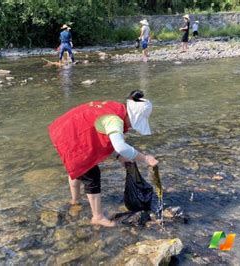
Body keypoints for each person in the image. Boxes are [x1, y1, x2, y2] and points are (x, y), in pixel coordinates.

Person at [48, 90, 159, 227]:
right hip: (73, 137)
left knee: (77, 169)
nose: (131, 127)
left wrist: (120, 157)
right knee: (91, 173)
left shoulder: (115, 108)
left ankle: (74, 201)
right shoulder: (115, 120)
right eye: (133, 124)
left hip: (63, 130)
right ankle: (97, 217)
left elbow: (105, 137)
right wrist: (145, 158)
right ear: (131, 116)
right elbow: (120, 146)